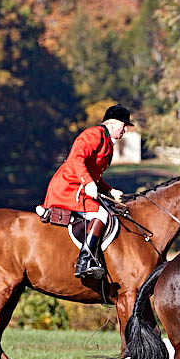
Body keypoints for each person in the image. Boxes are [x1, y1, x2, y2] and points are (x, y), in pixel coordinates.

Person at [42, 104, 133, 279]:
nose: (126, 130)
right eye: (124, 125)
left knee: (112, 211)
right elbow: (76, 158)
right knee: (102, 215)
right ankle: (85, 261)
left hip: (82, 187)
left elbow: (95, 175)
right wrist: (88, 182)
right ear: (112, 123)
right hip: (69, 187)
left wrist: (110, 190)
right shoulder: (94, 134)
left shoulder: (108, 142)